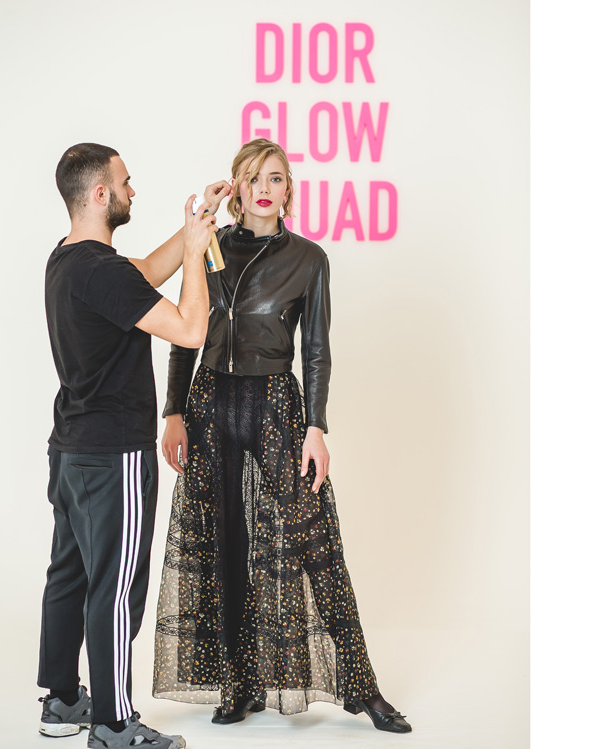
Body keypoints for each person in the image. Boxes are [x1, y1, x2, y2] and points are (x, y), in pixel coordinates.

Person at [152, 138, 411, 734]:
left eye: (275, 177)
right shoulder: (208, 245)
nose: (264, 188)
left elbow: (316, 350)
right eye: (252, 178)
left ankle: (362, 688)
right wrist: (173, 412)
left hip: (274, 406)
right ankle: (238, 682)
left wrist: (315, 426)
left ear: (288, 188)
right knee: (225, 547)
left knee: (315, 546)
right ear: (236, 189)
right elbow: (186, 333)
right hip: (211, 405)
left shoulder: (308, 259)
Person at [37, 142, 230, 749]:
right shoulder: (103, 272)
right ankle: (114, 724)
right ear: (100, 195)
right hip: (112, 454)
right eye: (125, 182)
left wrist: (194, 227)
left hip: (71, 450)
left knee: (70, 575)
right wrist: (196, 256)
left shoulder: (70, 260)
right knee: (116, 590)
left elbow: (141, 273)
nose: (132, 190)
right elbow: (191, 329)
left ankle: (62, 700)